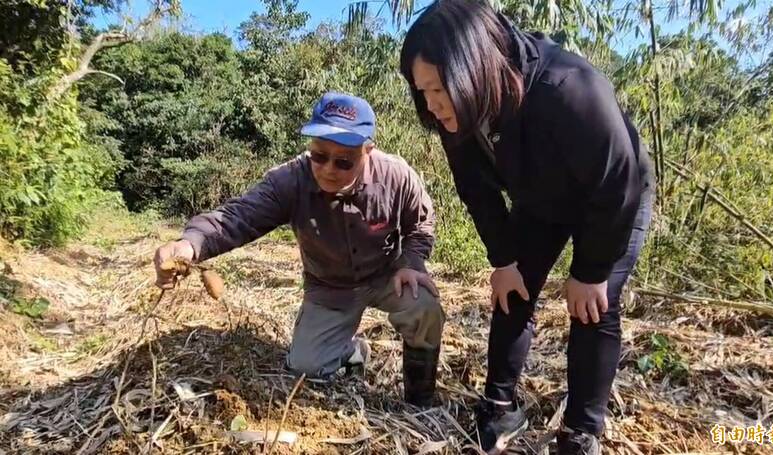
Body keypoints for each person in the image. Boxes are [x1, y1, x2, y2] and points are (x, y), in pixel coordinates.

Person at [399, 1, 655, 453]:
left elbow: (619, 181)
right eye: (423, 92)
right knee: (511, 291)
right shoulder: (456, 113)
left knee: (593, 306)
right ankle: (499, 405)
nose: (433, 106)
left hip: (611, 198)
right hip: (540, 199)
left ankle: (581, 430)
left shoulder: (571, 90)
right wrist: (504, 259)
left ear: (473, 66)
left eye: (439, 89)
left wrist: (592, 271)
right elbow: (476, 191)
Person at [152, 92, 445, 408]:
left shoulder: (396, 176)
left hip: (386, 275)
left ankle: (420, 399)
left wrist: (412, 262)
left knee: (424, 306)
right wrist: (189, 244)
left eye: (344, 161)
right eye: (319, 156)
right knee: (306, 369)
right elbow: (237, 217)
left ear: (368, 151)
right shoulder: (289, 181)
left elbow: (421, 223)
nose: (329, 169)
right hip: (330, 287)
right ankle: (353, 351)